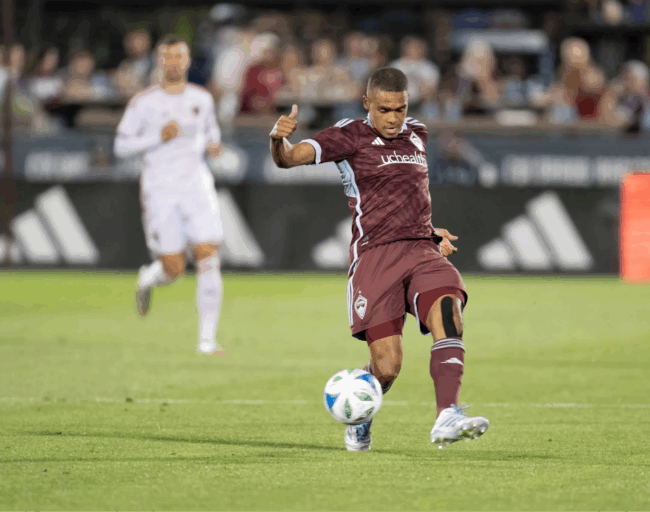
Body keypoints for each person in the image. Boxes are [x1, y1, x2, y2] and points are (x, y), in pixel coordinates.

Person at [268, 67, 490, 450]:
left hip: (421, 250)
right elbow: (288, 159)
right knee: (387, 367)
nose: (393, 118)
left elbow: (410, 192)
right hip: (375, 257)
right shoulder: (348, 135)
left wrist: (430, 229)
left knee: (449, 312)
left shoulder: (417, 134)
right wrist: (278, 141)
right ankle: (361, 414)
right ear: (367, 103)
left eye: (400, 109)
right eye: (384, 109)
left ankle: (447, 415)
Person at [114, 35, 225, 355]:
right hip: (160, 188)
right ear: (159, 61)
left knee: (207, 252)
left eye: (179, 56)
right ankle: (149, 277)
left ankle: (207, 340)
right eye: (168, 57)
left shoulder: (201, 98)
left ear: (187, 61)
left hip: (196, 184)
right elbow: (120, 146)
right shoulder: (143, 102)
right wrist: (156, 137)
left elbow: (210, 131)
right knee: (173, 268)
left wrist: (214, 144)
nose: (174, 62)